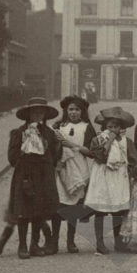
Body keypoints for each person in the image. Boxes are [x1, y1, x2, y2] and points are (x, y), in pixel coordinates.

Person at [0, 97, 62, 259]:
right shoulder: (19, 132)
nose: (38, 114)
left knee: (39, 212)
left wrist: (56, 145)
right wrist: (23, 149)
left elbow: (55, 157)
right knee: (23, 211)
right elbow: (12, 158)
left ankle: (34, 245)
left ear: (45, 114)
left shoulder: (49, 133)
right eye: (34, 112)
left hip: (44, 176)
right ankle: (22, 245)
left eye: (41, 112)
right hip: (25, 175)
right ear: (28, 114)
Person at [84, 107, 137, 254]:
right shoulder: (98, 140)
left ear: (121, 128)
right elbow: (99, 157)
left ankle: (119, 242)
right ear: (104, 127)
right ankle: (100, 243)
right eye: (109, 126)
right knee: (100, 210)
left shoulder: (127, 141)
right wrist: (109, 141)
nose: (113, 129)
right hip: (103, 175)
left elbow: (133, 159)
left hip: (119, 176)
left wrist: (131, 172)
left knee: (118, 210)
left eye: (116, 126)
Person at [50, 95, 97, 254]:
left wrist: (70, 144)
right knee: (58, 207)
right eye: (71, 109)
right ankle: (54, 242)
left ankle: (70, 241)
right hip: (62, 168)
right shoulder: (58, 126)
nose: (74, 112)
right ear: (66, 111)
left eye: (77, 109)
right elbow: (51, 148)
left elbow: (91, 152)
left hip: (79, 168)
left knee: (73, 207)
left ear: (82, 111)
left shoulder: (86, 127)